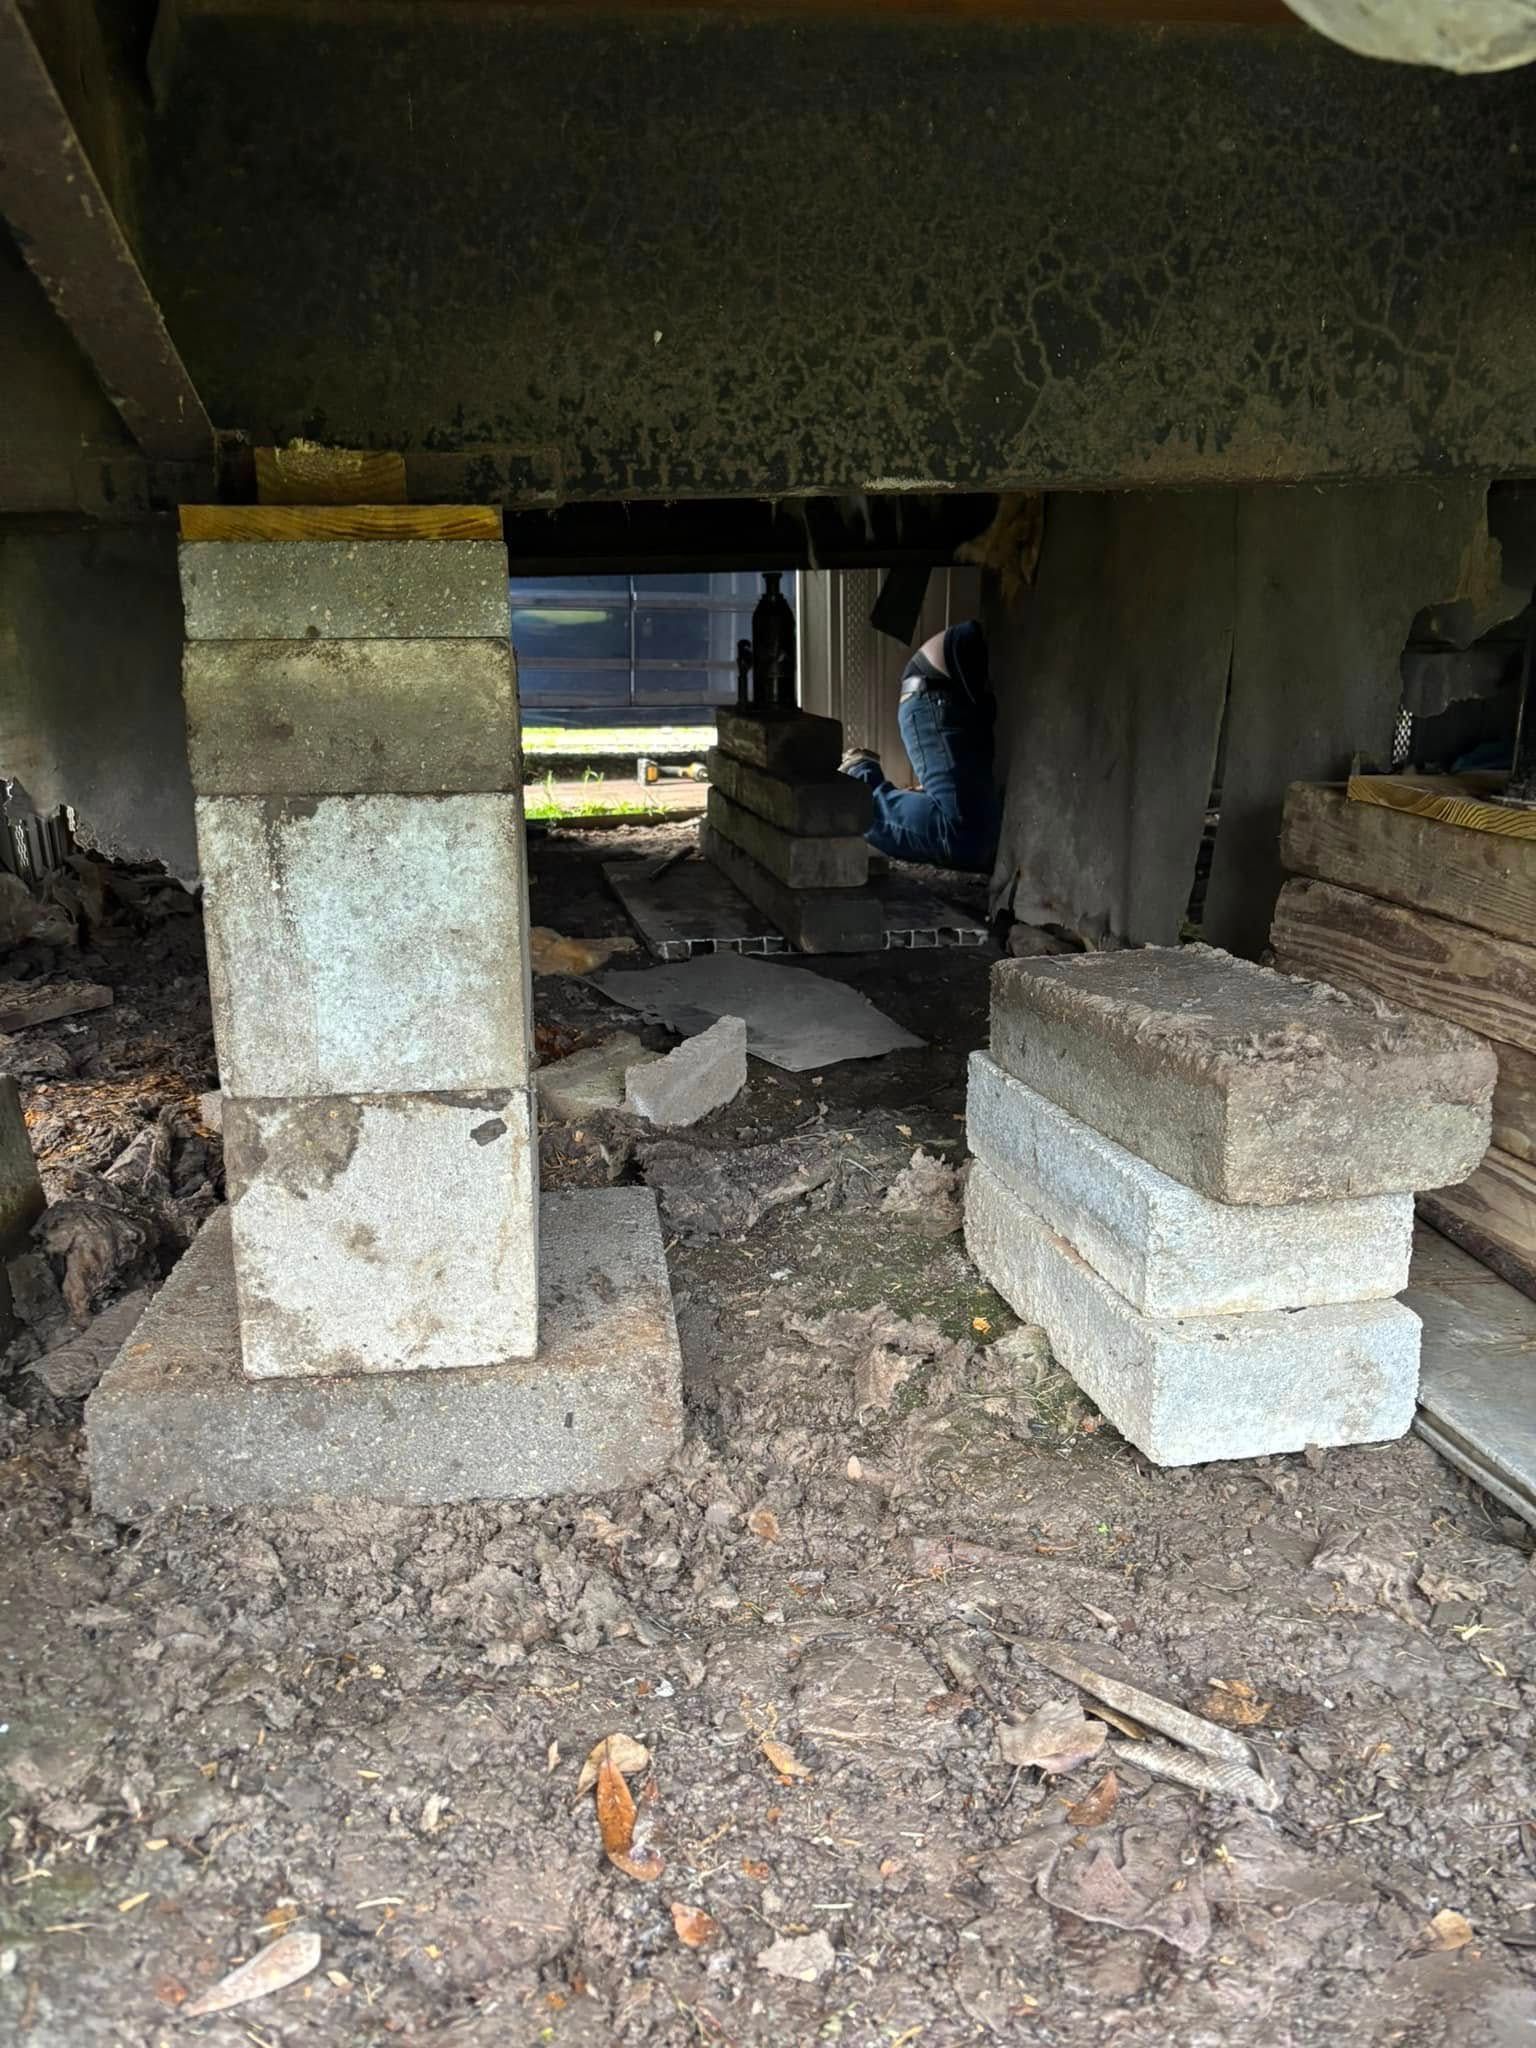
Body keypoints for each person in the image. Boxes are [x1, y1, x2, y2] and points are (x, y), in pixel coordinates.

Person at [839, 618, 1001, 872]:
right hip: (937, 693)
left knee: (984, 836)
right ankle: (857, 788)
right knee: (967, 840)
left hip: (945, 689)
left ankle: (907, 795)